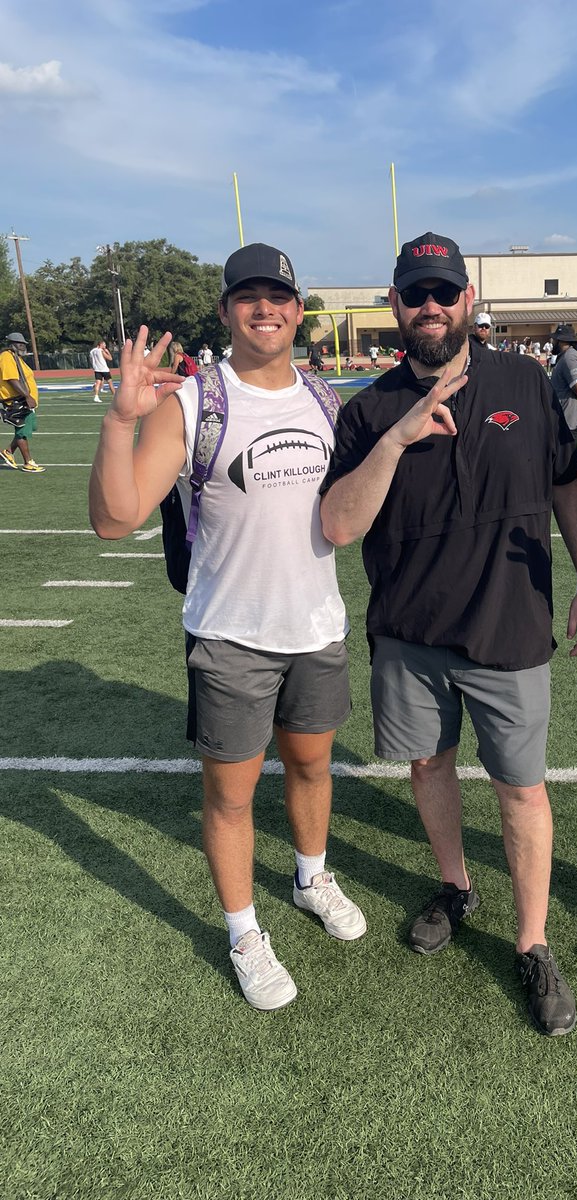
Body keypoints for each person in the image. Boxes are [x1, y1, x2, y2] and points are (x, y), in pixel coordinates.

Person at [319, 230, 577, 1037]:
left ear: (469, 301)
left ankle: (533, 940)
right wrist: (397, 437)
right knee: (428, 765)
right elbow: (339, 527)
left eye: (446, 292)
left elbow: (565, 487)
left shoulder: (525, 381)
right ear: (395, 304)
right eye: (417, 294)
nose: (432, 307)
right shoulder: (368, 410)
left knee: (522, 790)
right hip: (409, 634)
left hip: (509, 630)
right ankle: (456, 885)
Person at [89, 242, 365, 1012]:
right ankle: (244, 931)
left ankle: (312, 878)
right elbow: (115, 520)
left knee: (313, 768)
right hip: (230, 635)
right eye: (248, 296)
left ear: (298, 311)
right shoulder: (194, 403)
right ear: (225, 311)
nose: (264, 308)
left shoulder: (323, 398)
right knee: (232, 796)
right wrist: (120, 422)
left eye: (277, 296)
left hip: (315, 628)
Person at [550, 323, 577, 489]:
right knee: (571, 454)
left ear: (560, 340)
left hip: (570, 418)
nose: (553, 342)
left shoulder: (569, 358)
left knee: (564, 460)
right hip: (567, 417)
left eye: (555, 339)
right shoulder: (567, 356)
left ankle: (573, 492)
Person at [0, 332, 43, 472]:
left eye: (24, 344)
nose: (23, 346)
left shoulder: (16, 358)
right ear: (11, 344)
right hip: (16, 401)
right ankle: (28, 462)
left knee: (26, 429)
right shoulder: (6, 357)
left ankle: (8, 452)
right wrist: (27, 396)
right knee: (22, 431)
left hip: (23, 400)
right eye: (20, 344)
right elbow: (12, 379)